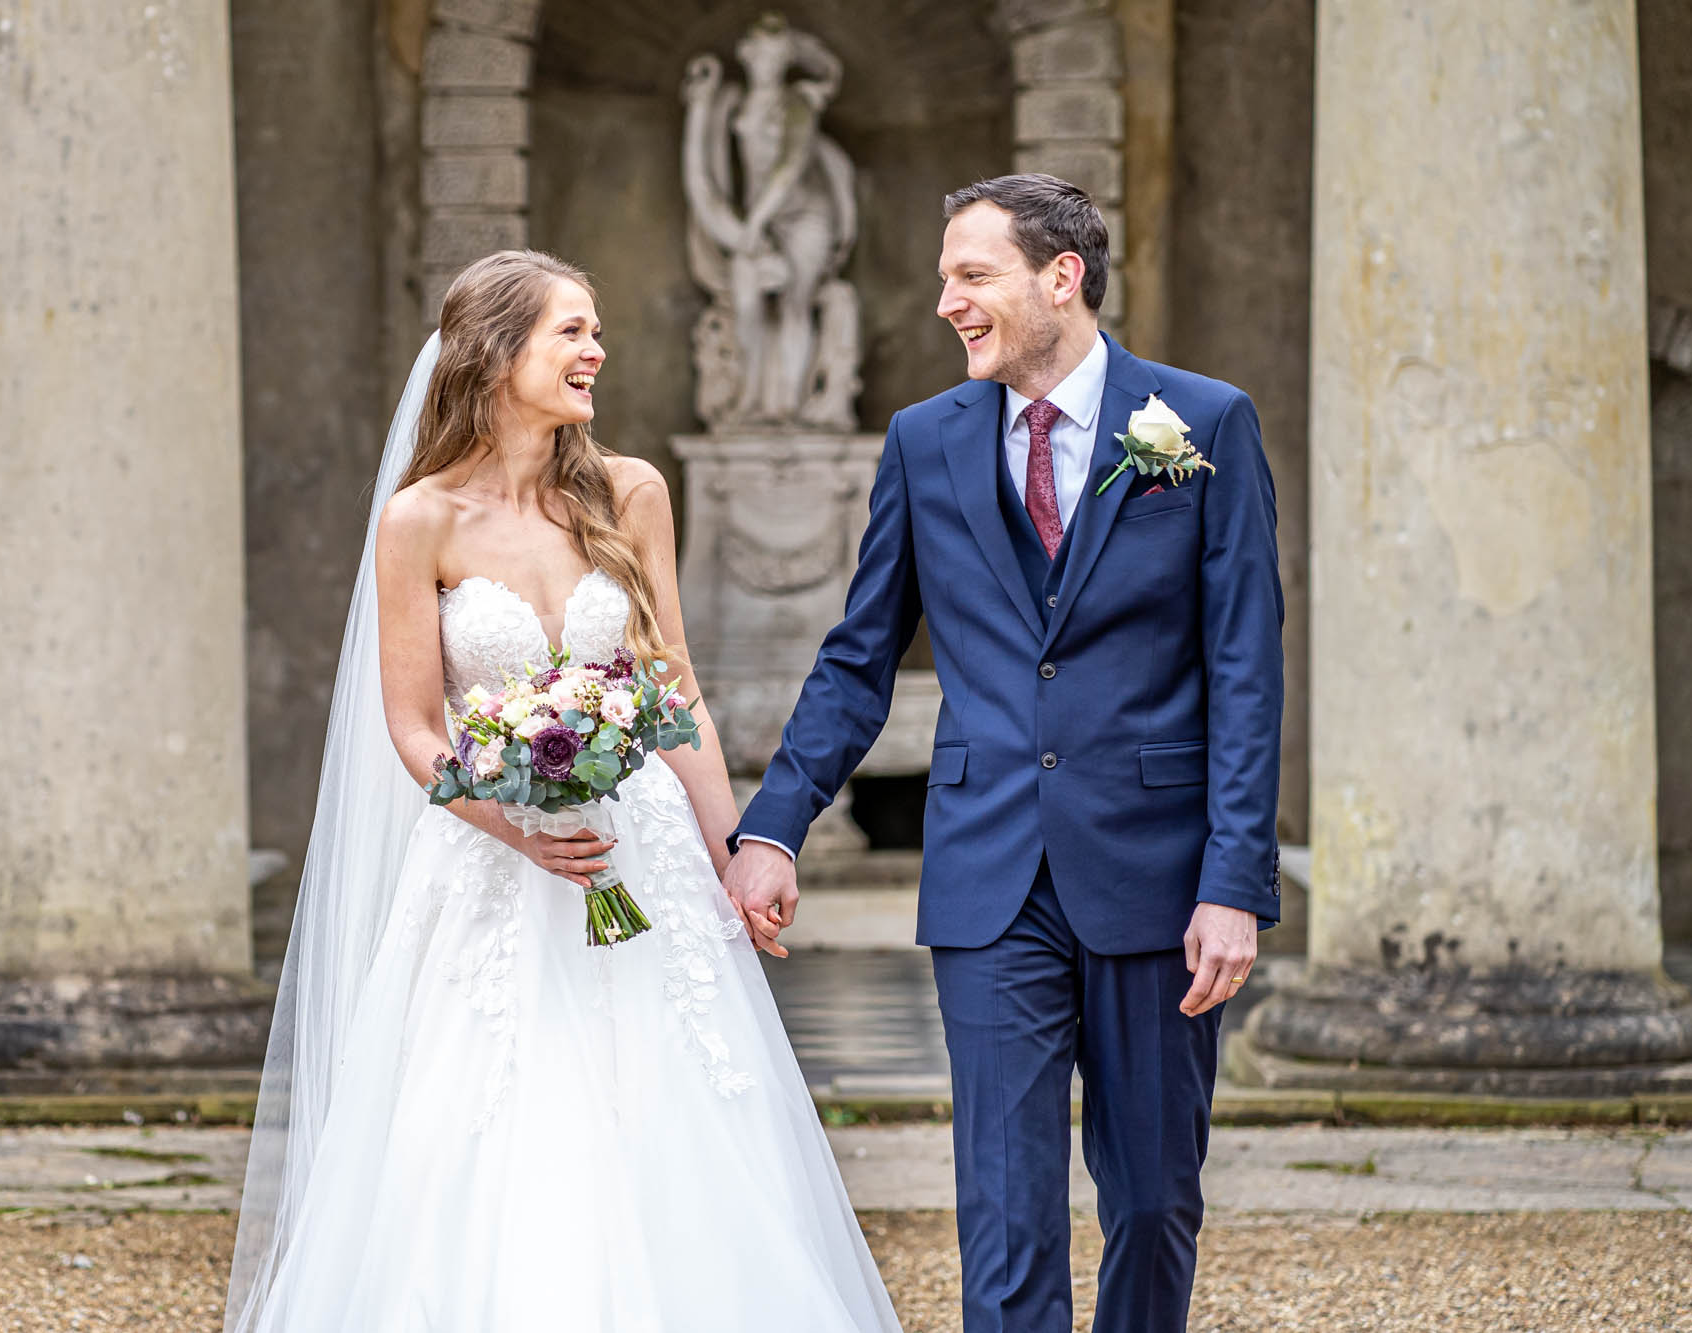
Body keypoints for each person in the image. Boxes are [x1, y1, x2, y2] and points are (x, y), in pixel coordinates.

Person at [224, 250, 901, 1333]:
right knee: (494, 1122)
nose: (597, 351)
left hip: (642, 851)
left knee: (673, 1106)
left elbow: (671, 684)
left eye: (595, 330)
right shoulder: (419, 521)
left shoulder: (632, 491)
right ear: (498, 353)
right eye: (571, 332)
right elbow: (414, 725)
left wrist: (737, 850)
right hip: (493, 866)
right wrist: (511, 825)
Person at [725, 174, 1284, 1333]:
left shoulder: (1202, 423)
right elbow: (857, 656)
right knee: (1003, 1214)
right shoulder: (922, 441)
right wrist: (774, 823)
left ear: (1060, 277)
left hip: (1156, 875)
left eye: (971, 276)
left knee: (1151, 1202)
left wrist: (1233, 881)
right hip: (987, 879)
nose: (945, 302)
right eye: (945, 278)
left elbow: (1244, 668)